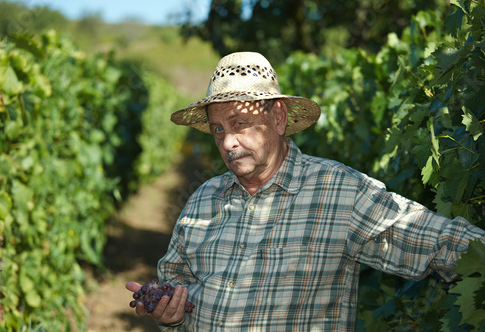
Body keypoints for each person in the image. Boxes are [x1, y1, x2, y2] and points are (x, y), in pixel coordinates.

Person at [126, 52, 485, 331]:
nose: (228, 142)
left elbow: (435, 238)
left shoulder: (338, 191)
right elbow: (176, 282)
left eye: (240, 124)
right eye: (218, 130)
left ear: (278, 119)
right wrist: (169, 315)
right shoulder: (203, 199)